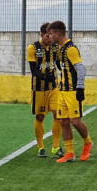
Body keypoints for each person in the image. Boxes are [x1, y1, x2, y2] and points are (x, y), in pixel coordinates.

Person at [47, 21, 93, 163]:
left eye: (51, 33)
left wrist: (80, 87)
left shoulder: (70, 49)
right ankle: (70, 153)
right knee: (63, 121)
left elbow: (81, 68)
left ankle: (87, 143)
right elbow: (63, 68)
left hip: (73, 91)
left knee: (75, 121)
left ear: (58, 33)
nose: (49, 36)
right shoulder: (60, 49)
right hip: (62, 91)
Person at [27, 23, 63, 158]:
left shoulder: (55, 47)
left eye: (52, 35)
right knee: (40, 117)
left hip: (54, 87)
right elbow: (33, 71)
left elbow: (59, 64)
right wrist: (44, 76)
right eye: (48, 35)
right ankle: (41, 147)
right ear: (42, 34)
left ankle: (56, 146)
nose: (51, 38)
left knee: (57, 114)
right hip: (39, 88)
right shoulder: (33, 48)